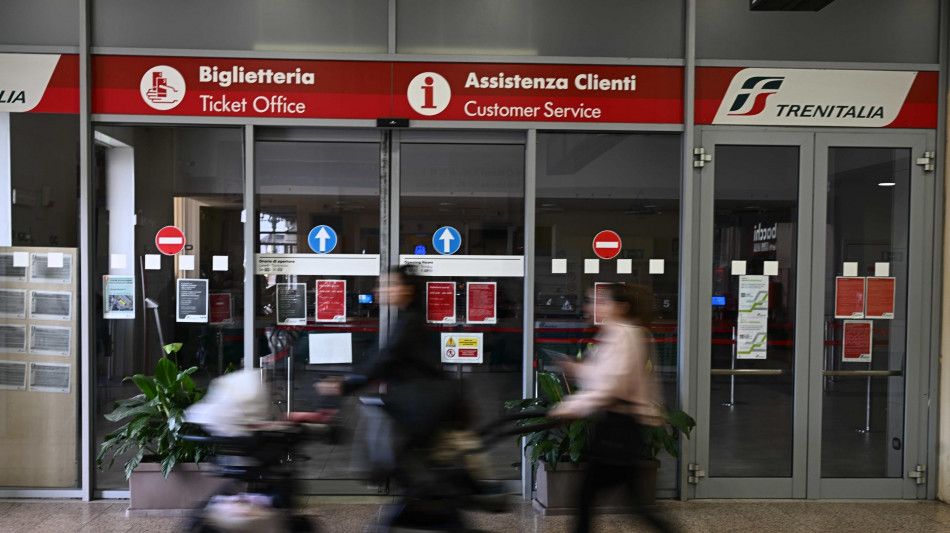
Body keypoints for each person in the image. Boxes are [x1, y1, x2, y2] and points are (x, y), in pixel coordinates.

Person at [550, 283, 676, 533]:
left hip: (619, 428)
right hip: (617, 426)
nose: (594, 306)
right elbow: (605, 377)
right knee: (631, 503)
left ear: (622, 307)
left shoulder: (626, 336)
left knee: (587, 498)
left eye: (602, 301)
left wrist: (570, 407)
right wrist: (579, 370)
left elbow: (613, 386)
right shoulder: (618, 334)